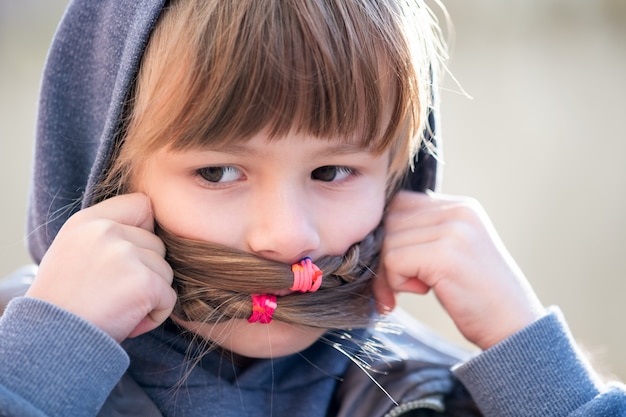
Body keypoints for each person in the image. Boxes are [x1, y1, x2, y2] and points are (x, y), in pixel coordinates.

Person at [0, 0, 624, 416]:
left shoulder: (427, 393)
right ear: (103, 175)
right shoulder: (22, 363)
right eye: (217, 172)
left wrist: (535, 365)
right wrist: (40, 371)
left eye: (331, 171)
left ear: (397, 181)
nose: (286, 236)